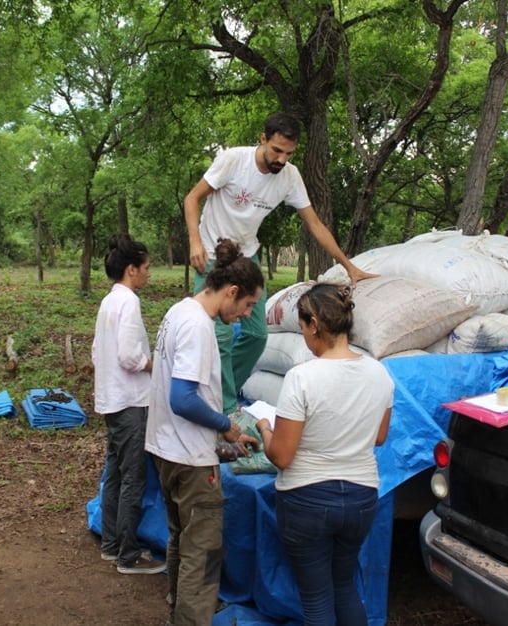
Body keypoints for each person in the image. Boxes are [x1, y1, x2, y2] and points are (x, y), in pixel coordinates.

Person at [185, 111, 378, 417]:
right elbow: (192, 198)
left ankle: (224, 390)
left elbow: (314, 223)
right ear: (263, 139)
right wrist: (195, 242)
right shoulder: (234, 160)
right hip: (212, 254)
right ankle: (224, 407)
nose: (281, 159)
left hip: (247, 255)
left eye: (289, 153)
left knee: (257, 335)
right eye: (276, 150)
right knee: (219, 335)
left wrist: (348, 265)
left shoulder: (290, 176)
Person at [255, 283, 394, 626]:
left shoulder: (302, 377)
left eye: (302, 327)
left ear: (314, 323)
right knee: (344, 586)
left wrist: (264, 429)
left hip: (307, 500)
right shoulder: (380, 373)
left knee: (316, 599)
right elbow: (378, 437)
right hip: (361, 497)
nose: (302, 335)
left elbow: (283, 457)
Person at [145, 238, 263, 626]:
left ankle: (179, 609)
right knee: (203, 550)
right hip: (190, 460)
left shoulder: (180, 310)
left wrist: (226, 436)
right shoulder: (198, 327)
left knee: (182, 537)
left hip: (166, 449)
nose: (246, 314)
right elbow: (183, 398)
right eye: (247, 305)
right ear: (231, 292)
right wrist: (226, 425)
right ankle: (191, 618)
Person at [92, 233, 165, 575]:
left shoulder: (109, 301)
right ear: (132, 270)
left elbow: (98, 352)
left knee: (116, 475)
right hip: (132, 402)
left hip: (112, 400)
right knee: (133, 479)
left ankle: (110, 544)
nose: (149, 273)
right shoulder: (129, 302)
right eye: (147, 268)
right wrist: (157, 365)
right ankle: (128, 555)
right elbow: (129, 356)